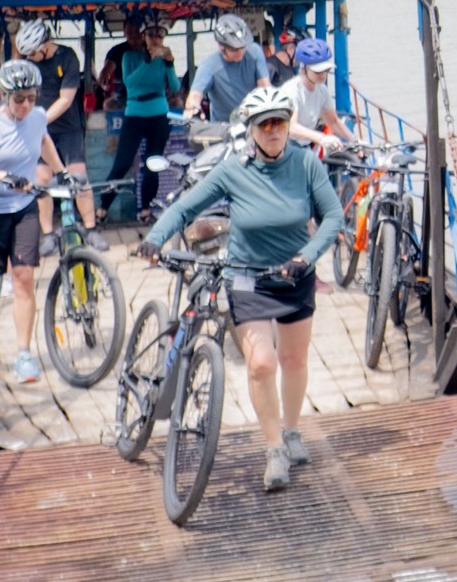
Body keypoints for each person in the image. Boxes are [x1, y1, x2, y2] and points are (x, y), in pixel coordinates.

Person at [137, 85, 341, 493]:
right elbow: (184, 206)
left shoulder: (305, 164)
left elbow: (333, 215)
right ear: (250, 130)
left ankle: (293, 429)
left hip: (293, 275)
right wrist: (155, 238)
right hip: (247, 277)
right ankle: (273, 448)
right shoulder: (234, 171)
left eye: (280, 123)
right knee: (262, 362)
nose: (273, 131)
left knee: (294, 358)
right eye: (264, 125)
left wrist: (308, 257)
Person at [0, 58, 67, 385]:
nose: (26, 105)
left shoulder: (36, 117)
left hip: (23, 208)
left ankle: (24, 354)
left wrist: (63, 172)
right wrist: (5, 177)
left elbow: (44, 141)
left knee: (23, 278)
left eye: (32, 98)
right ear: (5, 96)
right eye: (19, 98)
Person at [13, 20, 96, 249]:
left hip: (68, 127)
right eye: (25, 54)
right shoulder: (27, 63)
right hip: (39, 130)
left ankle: (91, 228)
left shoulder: (67, 57)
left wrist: (41, 121)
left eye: (32, 53)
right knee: (41, 179)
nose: (29, 58)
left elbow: (66, 99)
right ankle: (48, 234)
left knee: (78, 175)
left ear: (45, 45)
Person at [104, 17, 181, 221]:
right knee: (122, 163)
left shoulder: (164, 58)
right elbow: (131, 82)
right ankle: (103, 207)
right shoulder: (130, 56)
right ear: (144, 37)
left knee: (152, 163)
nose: (156, 39)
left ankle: (146, 209)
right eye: (151, 35)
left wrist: (170, 63)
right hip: (135, 112)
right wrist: (148, 60)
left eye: (160, 35)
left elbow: (174, 87)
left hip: (158, 113)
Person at [185, 13, 271, 124]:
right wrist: (192, 110)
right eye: (235, 49)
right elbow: (194, 96)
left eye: (243, 47)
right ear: (221, 47)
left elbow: (265, 87)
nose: (240, 52)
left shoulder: (254, 52)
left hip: (254, 122)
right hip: (225, 128)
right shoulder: (209, 66)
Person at [277, 37, 352, 153]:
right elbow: (291, 128)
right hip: (285, 147)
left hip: (306, 146)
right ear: (304, 68)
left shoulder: (322, 90)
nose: (323, 75)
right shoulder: (292, 90)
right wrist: (321, 138)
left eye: (326, 70)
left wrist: (355, 141)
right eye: (318, 71)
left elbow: (333, 121)